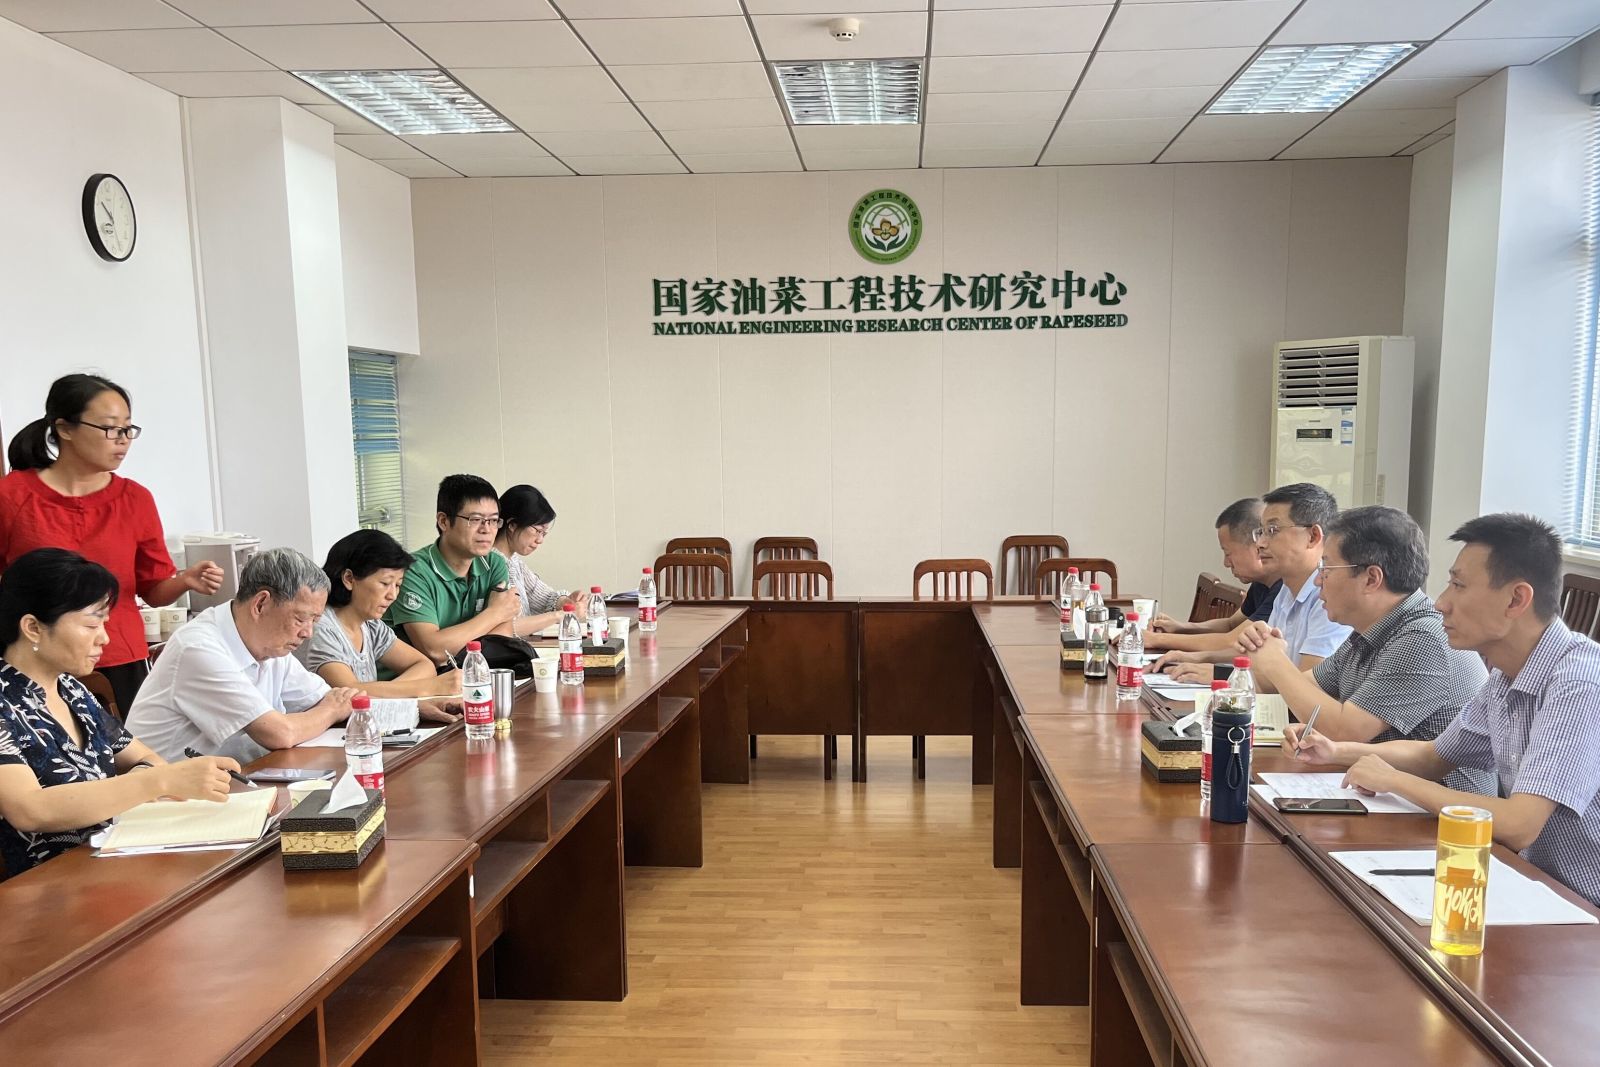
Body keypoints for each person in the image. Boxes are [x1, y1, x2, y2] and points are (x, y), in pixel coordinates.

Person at [1289, 514, 1600, 907]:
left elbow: (1520, 825)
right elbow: (1434, 756)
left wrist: (1395, 781)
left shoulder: (1579, 684)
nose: (1441, 602)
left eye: (1459, 585)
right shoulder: (1506, 676)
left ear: (1516, 600)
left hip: (1582, 904)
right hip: (1536, 885)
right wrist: (1337, 752)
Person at [0, 549, 237, 876]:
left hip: (111, 862)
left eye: (104, 623)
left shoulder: (72, 690)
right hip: (45, 885)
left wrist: (151, 777)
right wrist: (156, 782)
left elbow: (146, 757)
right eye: (90, 624)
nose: (104, 638)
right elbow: (29, 809)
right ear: (33, 627)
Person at [0, 374, 224, 714]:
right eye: (110, 428)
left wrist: (185, 580)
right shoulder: (12, 496)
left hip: (119, 658)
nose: (123, 440)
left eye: (128, 429)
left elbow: (153, 591)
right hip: (36, 660)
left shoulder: (135, 499)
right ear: (65, 428)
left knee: (126, 747)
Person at [1242, 506, 1491, 793]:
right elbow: (1297, 692)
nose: (1318, 580)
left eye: (1326, 569)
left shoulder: (1424, 637)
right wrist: (1262, 655)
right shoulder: (1369, 630)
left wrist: (1276, 664)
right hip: (1384, 797)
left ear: (1372, 579)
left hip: (1440, 812)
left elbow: (1345, 731)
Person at [126, 548, 358, 764]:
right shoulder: (198, 647)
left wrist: (336, 707)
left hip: (240, 778)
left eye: (314, 620)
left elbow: (328, 699)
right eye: (301, 619)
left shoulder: (272, 646)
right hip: (170, 789)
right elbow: (279, 733)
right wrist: (331, 710)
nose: (307, 633)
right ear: (261, 604)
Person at [1159, 482, 1351, 684]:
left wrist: (1222, 675)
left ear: (1312, 536)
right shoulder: (1287, 590)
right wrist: (1200, 658)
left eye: (1273, 530)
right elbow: (1261, 659)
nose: (1260, 543)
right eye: (1261, 532)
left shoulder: (1329, 597)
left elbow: (1307, 687)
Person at [304, 529, 460, 719]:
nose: (392, 595)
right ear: (349, 579)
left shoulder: (371, 625)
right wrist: (428, 687)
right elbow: (350, 693)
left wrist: (387, 695)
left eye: (398, 585)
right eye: (385, 583)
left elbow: (424, 665)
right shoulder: (321, 627)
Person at [385, 474, 517, 664]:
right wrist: (495, 613)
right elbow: (433, 650)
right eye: (475, 519)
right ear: (444, 521)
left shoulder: (494, 563)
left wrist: (453, 643)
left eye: (494, 520)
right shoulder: (412, 571)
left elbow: (503, 635)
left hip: (465, 673)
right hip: (411, 679)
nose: (487, 529)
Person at [1146, 497, 1282, 653]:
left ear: (1257, 546)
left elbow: (1232, 640)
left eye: (1228, 553)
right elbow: (1231, 624)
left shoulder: (1281, 588)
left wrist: (1156, 639)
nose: (1226, 563)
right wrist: (1180, 627)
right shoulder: (1261, 583)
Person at [492, 484, 587, 639]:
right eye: (537, 531)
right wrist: (559, 615)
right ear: (512, 525)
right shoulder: (492, 563)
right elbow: (509, 626)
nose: (540, 540)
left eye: (544, 534)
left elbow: (544, 597)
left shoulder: (514, 561)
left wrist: (566, 601)